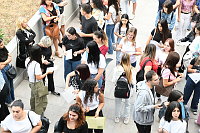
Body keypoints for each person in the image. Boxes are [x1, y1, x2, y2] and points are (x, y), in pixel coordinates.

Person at [26, 45, 53, 115]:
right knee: (40, 101)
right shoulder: (36, 64)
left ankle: (32, 112)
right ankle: (39, 117)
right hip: (37, 84)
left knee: (33, 98)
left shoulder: (28, 60)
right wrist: (47, 72)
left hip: (31, 83)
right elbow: (38, 77)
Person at [112, 53, 136, 124]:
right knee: (127, 104)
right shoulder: (132, 69)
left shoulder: (117, 68)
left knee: (117, 103)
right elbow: (133, 82)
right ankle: (126, 117)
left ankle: (117, 116)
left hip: (118, 89)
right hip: (128, 90)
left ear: (121, 60)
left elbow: (113, 80)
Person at [0, 39, 14, 104]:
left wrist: (4, 63)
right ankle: (9, 101)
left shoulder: (4, 48)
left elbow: (10, 57)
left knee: (11, 84)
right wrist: (7, 62)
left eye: (3, 44)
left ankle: (12, 99)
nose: (3, 45)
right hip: (3, 71)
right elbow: (0, 67)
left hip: (7, 68)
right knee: (7, 86)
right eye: (1, 45)